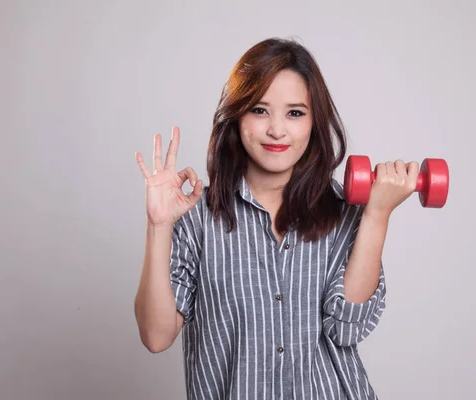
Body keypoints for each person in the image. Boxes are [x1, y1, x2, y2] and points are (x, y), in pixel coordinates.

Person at [133, 37, 419, 400]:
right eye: (259, 110)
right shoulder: (196, 217)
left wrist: (377, 215)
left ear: (315, 122)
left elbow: (347, 328)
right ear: (236, 116)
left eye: (295, 113)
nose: (277, 130)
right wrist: (159, 226)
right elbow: (156, 337)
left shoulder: (344, 213)